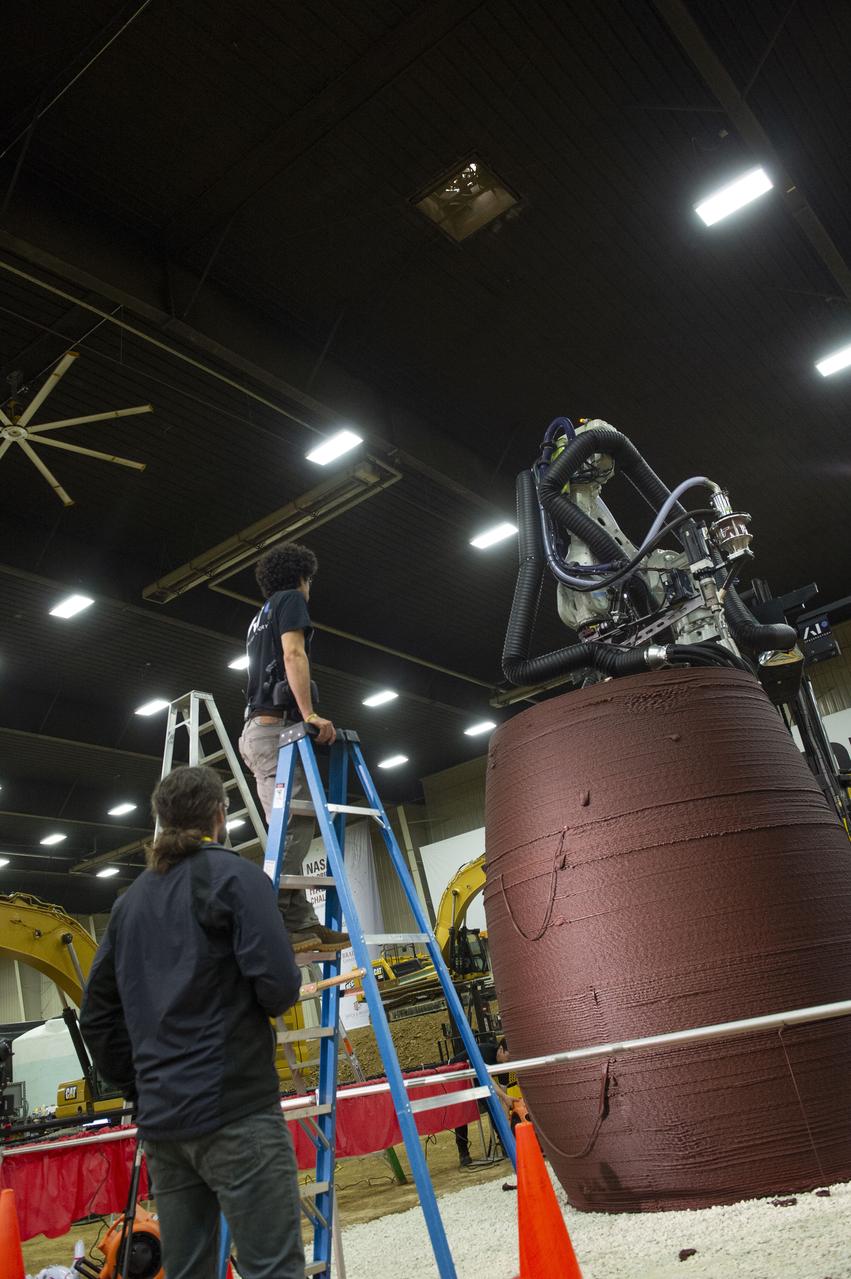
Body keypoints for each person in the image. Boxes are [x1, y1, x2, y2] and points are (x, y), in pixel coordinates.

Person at [80, 765, 305, 1279]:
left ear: (161, 820)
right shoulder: (237, 879)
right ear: (219, 816)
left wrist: (141, 1085)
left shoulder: (128, 905)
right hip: (236, 1112)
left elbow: (96, 1015)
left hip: (165, 1127)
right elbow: (278, 988)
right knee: (273, 1269)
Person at [239, 541, 348, 954]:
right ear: (302, 578)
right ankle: (267, 921)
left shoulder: (259, 616)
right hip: (274, 733)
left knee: (285, 831)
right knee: (295, 826)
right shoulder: (290, 601)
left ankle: (300, 922)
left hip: (257, 732)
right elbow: (293, 653)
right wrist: (309, 714)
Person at [453, 1035, 512, 1167]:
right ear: (501, 1050)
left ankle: (505, 1143)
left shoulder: (504, 1064)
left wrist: (506, 1119)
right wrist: (504, 1097)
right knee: (462, 1112)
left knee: (494, 1107)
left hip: (478, 1077)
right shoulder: (485, 1053)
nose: (509, 1060)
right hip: (459, 1073)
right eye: (508, 1056)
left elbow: (504, 1096)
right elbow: (489, 1082)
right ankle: (463, 1152)